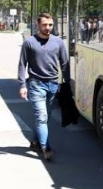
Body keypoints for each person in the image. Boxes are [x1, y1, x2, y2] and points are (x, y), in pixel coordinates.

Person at [18, 13, 70, 161]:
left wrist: (67, 84)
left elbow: (65, 64)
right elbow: (22, 64)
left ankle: (35, 141)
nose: (48, 28)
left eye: (50, 25)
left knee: (44, 117)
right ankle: (45, 147)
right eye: (44, 25)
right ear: (38, 25)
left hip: (53, 84)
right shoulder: (29, 42)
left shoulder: (58, 42)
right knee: (42, 117)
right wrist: (22, 85)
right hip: (36, 84)